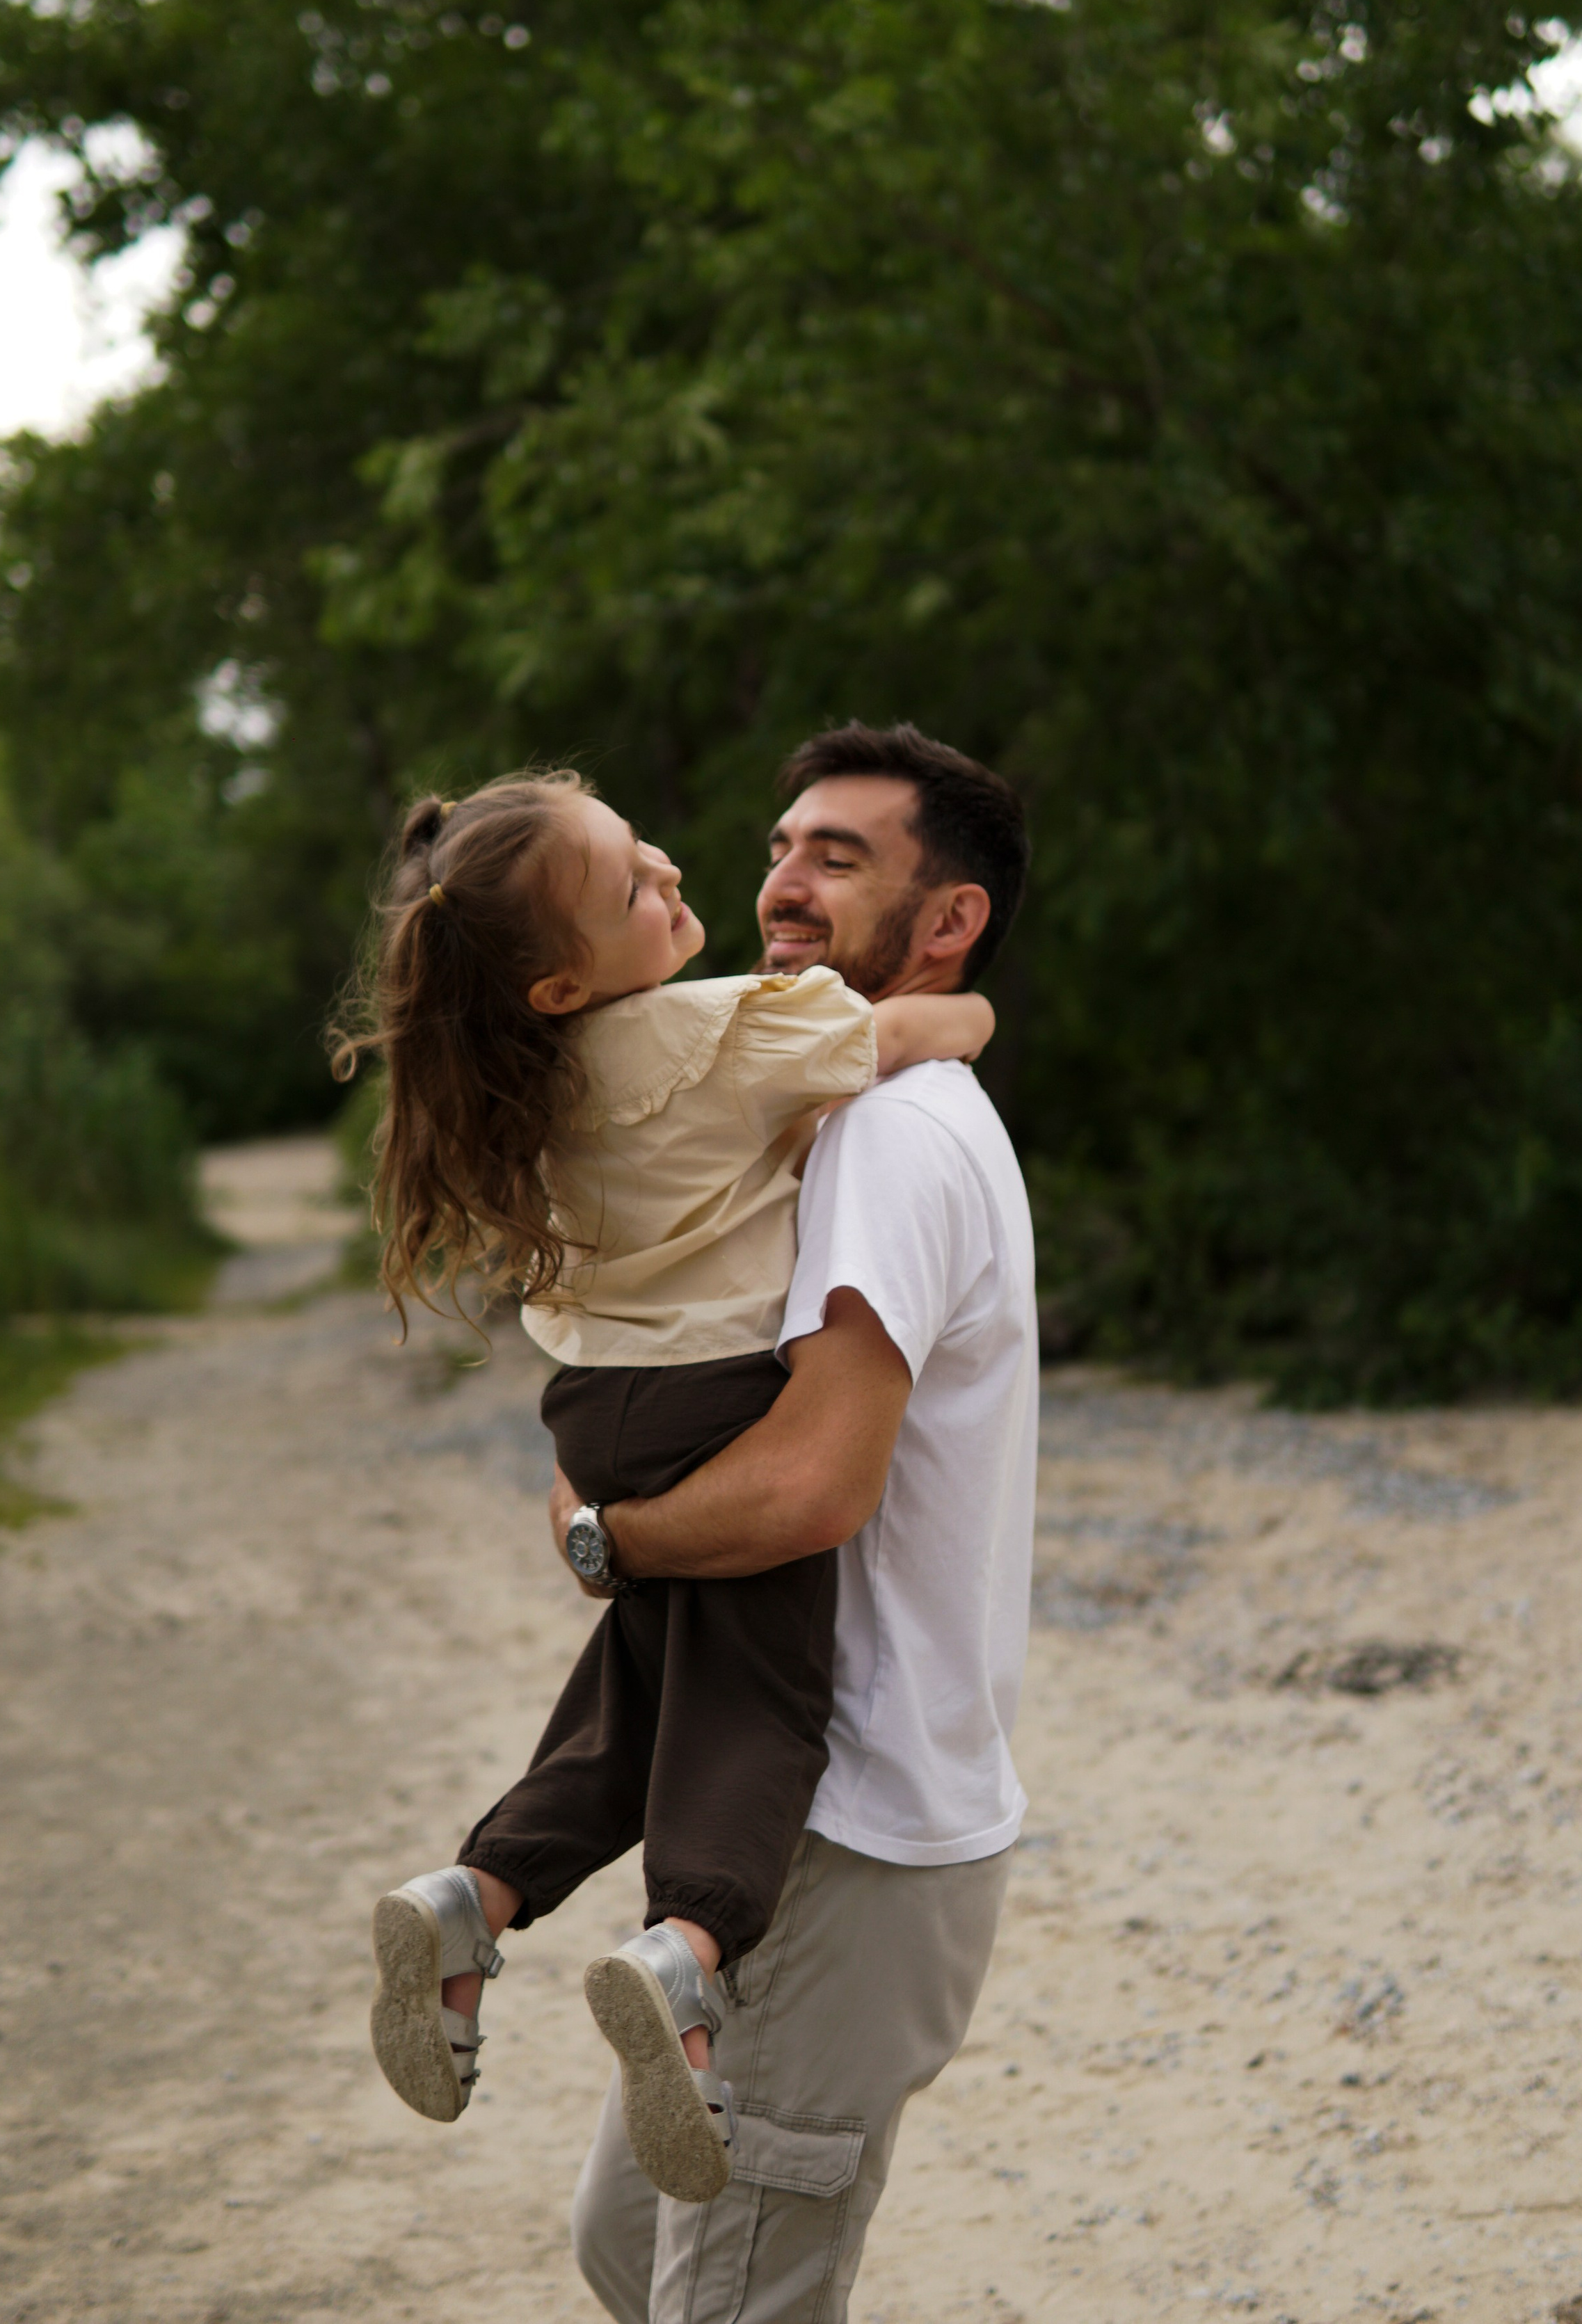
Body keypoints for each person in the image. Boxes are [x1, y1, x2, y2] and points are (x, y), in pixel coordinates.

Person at [337, 768, 993, 2201]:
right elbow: (903, 1032)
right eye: (638, 885)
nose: (685, 879)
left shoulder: (538, 1064)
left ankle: (477, 1895)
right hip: (713, 1406)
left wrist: (601, 1533)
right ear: (564, 978)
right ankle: (687, 1950)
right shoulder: (729, 1031)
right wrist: (974, 1017)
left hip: (598, 1414)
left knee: (638, 1693)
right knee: (755, 1705)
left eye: (648, 852)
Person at [552, 721, 1039, 2324]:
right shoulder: (828, 1091)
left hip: (854, 1820)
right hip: (776, 1804)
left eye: (838, 858)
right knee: (631, 2247)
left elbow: (814, 1483)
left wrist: (603, 1538)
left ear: (949, 914)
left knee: (732, 2294)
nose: (782, 883)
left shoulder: (892, 1135)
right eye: (778, 849)